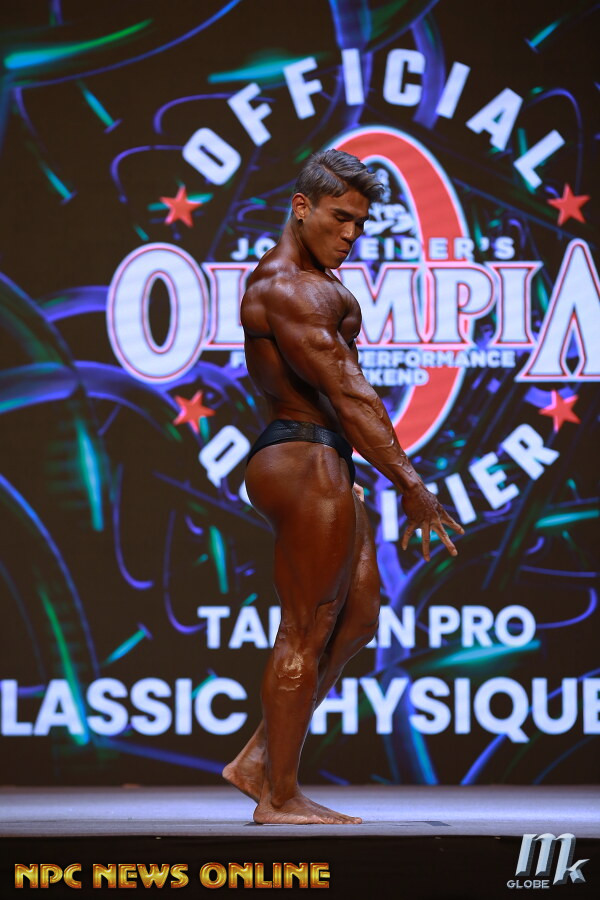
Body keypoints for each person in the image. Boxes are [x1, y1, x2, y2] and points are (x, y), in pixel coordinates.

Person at [222, 149, 464, 825]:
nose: (352, 233)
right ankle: (278, 796)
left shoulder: (310, 281)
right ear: (301, 208)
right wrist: (411, 485)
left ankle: (258, 759)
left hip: (322, 456)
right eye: (340, 217)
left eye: (360, 222)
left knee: (358, 615)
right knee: (306, 627)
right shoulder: (292, 288)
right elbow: (350, 392)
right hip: (302, 456)